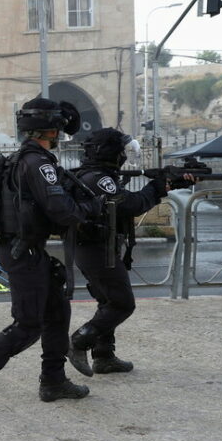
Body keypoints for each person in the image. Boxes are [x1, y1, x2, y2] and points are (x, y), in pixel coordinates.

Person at [0, 98, 101, 414]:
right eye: (58, 128)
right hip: (23, 251)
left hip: (26, 249)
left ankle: (54, 381)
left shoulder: (25, 159)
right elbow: (60, 210)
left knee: (57, 312)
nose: (60, 134)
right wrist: (89, 208)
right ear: (51, 129)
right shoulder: (37, 163)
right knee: (27, 325)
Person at [66, 128, 170, 376]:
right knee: (122, 304)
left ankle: (104, 356)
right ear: (111, 153)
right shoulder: (98, 178)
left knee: (107, 301)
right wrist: (157, 188)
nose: (124, 156)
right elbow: (131, 204)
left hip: (96, 247)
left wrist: (165, 182)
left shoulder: (96, 175)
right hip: (97, 250)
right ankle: (79, 341)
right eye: (121, 151)